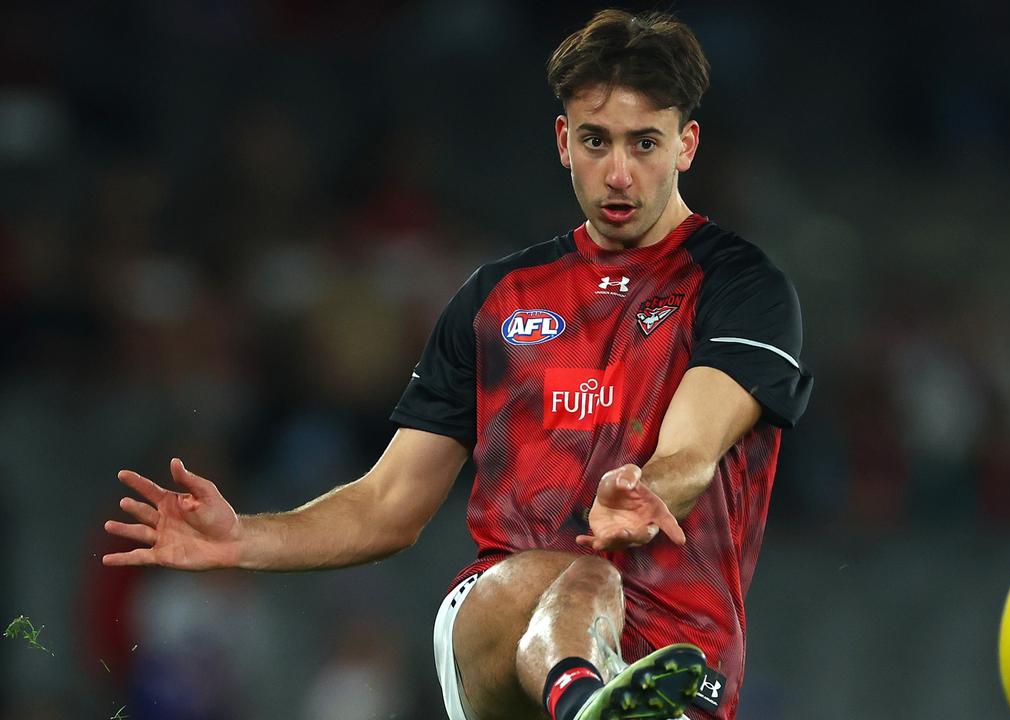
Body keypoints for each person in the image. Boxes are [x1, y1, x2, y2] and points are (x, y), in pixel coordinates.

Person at [103, 9, 813, 720]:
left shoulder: (739, 286)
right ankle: (587, 704)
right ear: (564, 141)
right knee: (579, 577)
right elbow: (389, 505)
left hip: (677, 662)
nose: (618, 173)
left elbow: (694, 447)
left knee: (591, 586)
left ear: (686, 145)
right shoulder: (497, 299)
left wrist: (647, 484)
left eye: (645, 143)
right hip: (495, 629)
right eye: (596, 141)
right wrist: (244, 538)